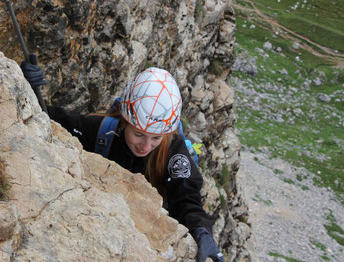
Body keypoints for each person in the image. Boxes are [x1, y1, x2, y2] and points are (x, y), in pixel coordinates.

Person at [21, 60, 225, 262]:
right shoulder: (104, 131)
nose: (145, 145)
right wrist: (27, 86)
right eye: (138, 134)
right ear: (125, 121)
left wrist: (202, 232)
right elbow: (53, 119)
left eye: (156, 137)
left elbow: (186, 199)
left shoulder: (174, 152)